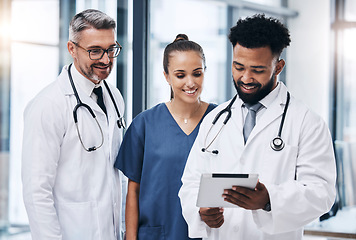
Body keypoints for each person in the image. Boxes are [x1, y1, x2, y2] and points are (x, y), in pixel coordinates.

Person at [178, 14, 337, 240]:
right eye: (238, 66)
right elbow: (191, 182)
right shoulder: (215, 119)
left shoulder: (307, 122)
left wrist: (270, 200)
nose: (246, 77)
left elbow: (322, 193)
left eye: (258, 70)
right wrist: (200, 211)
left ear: (278, 66)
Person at [22, 9, 125, 240]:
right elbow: (36, 191)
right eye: (95, 51)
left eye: (111, 49)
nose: (106, 60)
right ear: (72, 49)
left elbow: (115, 174)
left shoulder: (114, 96)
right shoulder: (48, 105)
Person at [115, 34, 216, 240]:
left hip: (208, 233)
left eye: (197, 73)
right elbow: (133, 191)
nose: (190, 83)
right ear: (166, 76)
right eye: (180, 75)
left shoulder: (221, 121)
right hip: (156, 234)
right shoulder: (144, 124)